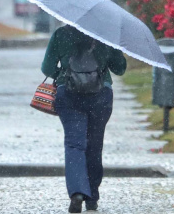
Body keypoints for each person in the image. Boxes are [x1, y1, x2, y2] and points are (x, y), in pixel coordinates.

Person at [41, 24, 127, 213]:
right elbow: (120, 69)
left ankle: (77, 192)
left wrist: (64, 75)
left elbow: (46, 68)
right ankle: (92, 199)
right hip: (101, 95)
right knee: (95, 145)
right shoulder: (105, 33)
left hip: (69, 95)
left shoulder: (61, 34)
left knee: (74, 144)